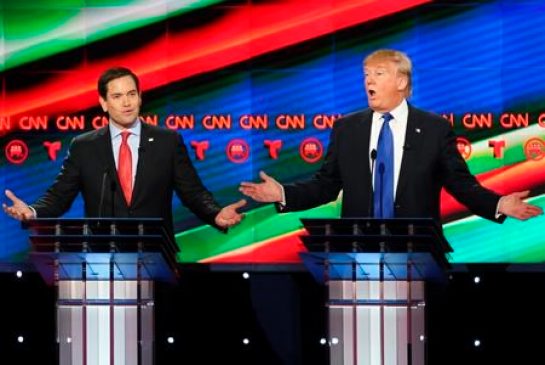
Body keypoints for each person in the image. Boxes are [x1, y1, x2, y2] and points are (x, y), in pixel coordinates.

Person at [240, 49, 542, 223]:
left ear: (401, 81)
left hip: (417, 253)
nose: (368, 80)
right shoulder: (347, 129)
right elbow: (327, 185)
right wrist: (283, 194)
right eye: (366, 75)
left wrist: (498, 204)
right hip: (358, 254)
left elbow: (460, 185)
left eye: (378, 74)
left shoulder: (434, 129)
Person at [3, 67, 246, 239]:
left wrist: (215, 214)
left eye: (132, 94)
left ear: (140, 98)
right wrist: (32, 211)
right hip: (102, 255)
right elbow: (59, 197)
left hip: (155, 254)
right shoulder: (84, 146)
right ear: (104, 103)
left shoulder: (167, 141)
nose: (127, 103)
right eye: (117, 96)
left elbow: (192, 192)